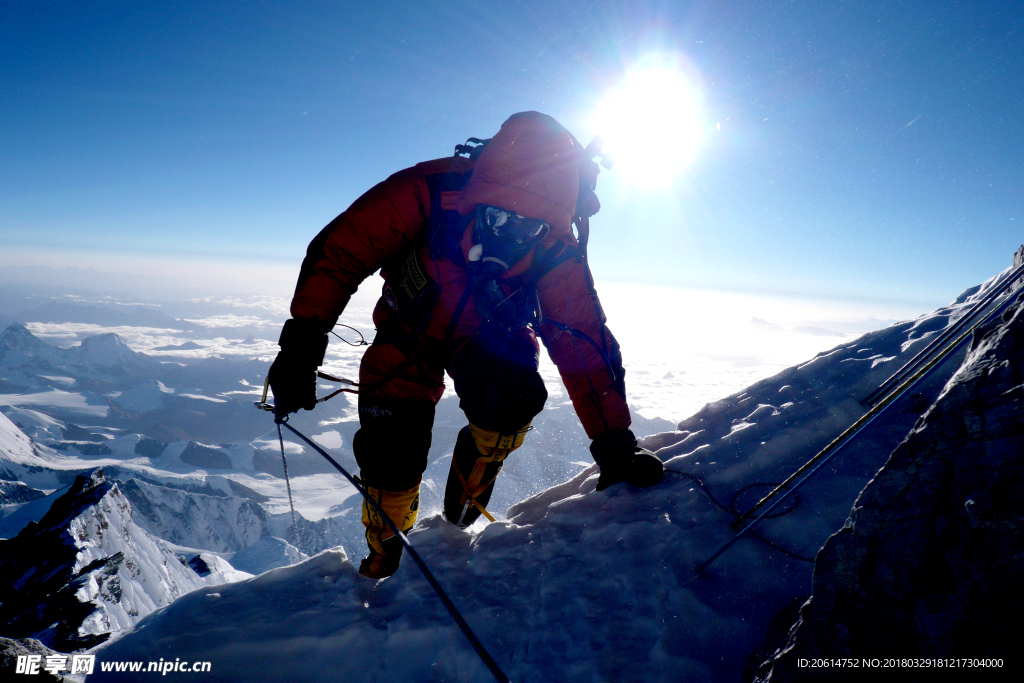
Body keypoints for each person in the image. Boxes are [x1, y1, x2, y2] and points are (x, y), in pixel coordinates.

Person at [268, 112, 663, 579]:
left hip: (490, 335)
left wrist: (614, 441)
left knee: (512, 399)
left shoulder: (556, 247)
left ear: (550, 227)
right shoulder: (431, 191)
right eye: (498, 218)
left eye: (528, 229)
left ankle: (466, 496)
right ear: (478, 197)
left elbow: (582, 342)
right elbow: (342, 249)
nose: (510, 237)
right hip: (409, 331)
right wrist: (303, 340)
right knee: (390, 453)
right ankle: (386, 557)